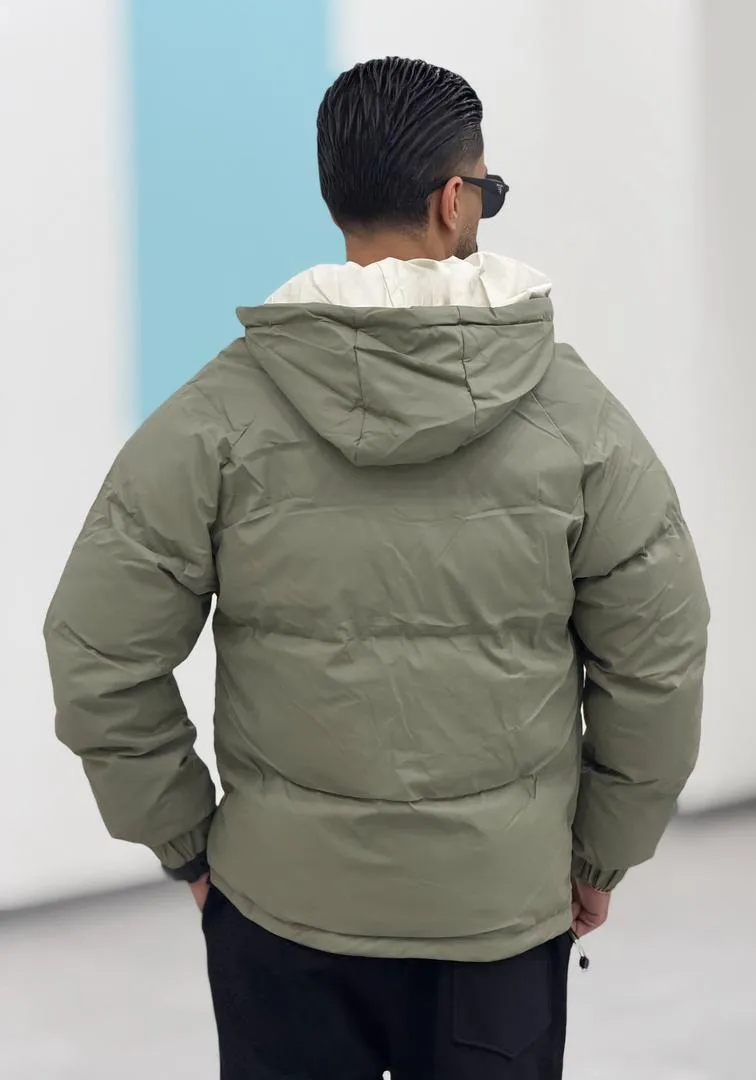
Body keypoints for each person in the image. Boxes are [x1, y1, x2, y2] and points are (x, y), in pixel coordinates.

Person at [44, 56, 709, 1079]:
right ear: (453, 200)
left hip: (282, 912)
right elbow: (657, 661)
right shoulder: (580, 421)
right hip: (496, 916)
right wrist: (598, 856)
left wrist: (186, 842)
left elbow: (97, 653)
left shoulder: (215, 417)